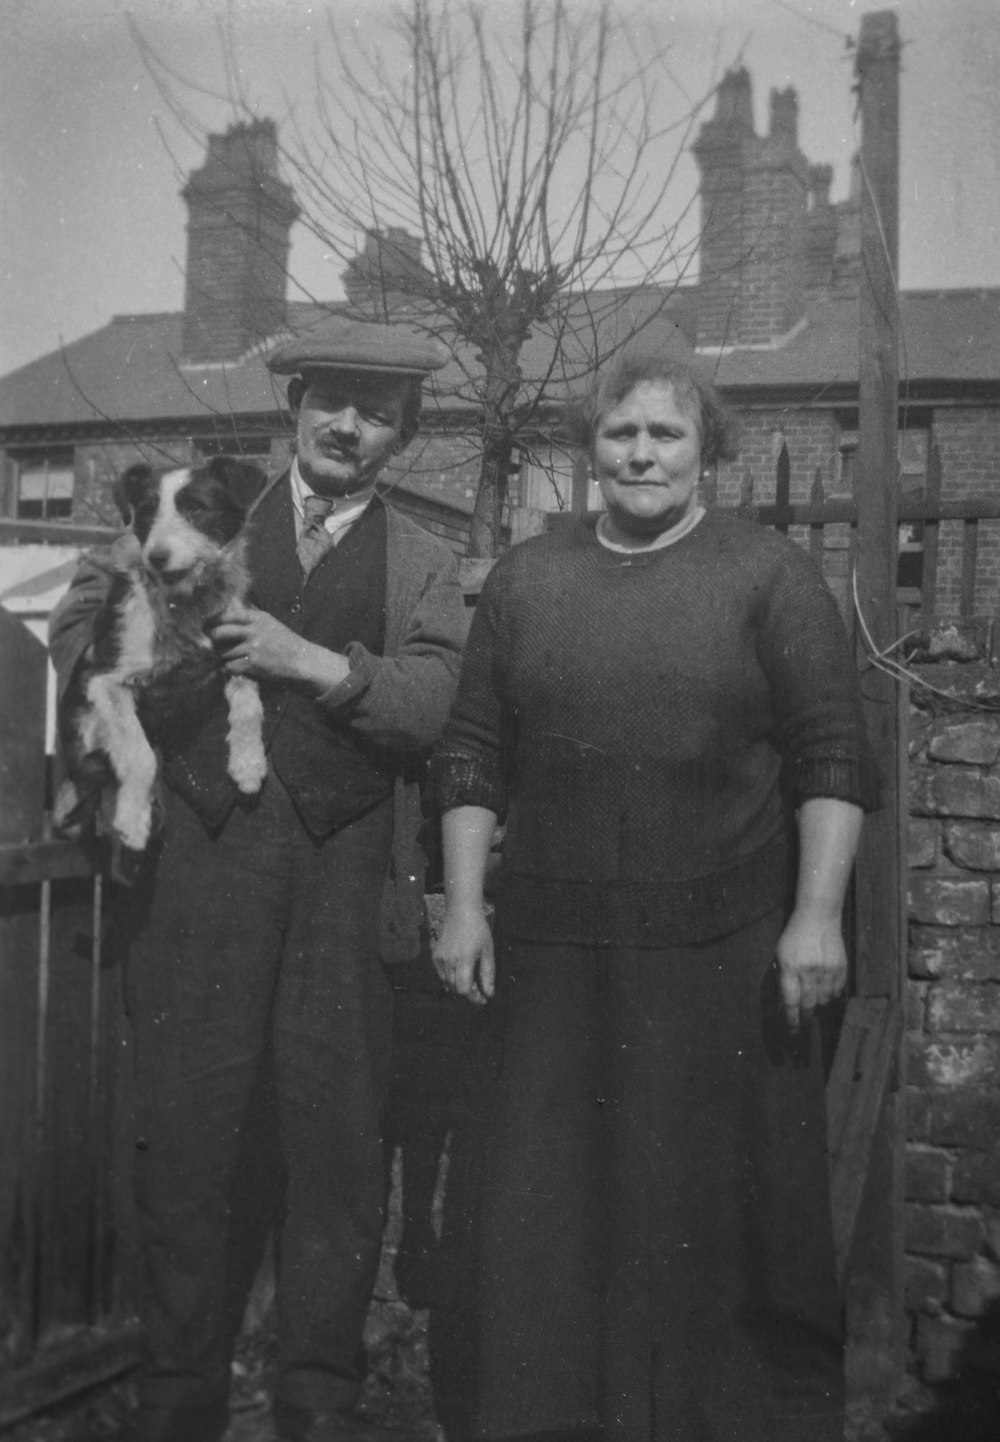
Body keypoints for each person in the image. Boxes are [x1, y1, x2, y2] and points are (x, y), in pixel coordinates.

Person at [428, 353, 876, 1442]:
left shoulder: (769, 577)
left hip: (718, 953)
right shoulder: (532, 579)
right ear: (590, 448)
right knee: (551, 1212)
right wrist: (466, 903)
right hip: (553, 958)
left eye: (664, 434)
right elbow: (475, 752)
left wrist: (814, 918)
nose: (639, 452)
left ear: (704, 451)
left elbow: (831, 756)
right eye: (620, 432)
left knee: (709, 1219)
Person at [48, 319, 468, 1442]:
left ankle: (317, 1393)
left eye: (375, 412)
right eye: (330, 400)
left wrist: (309, 662)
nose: (347, 426)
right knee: (184, 1130)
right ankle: (178, 1384)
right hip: (200, 867)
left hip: (345, 879)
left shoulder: (424, 560)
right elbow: (82, 628)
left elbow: (437, 706)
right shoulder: (195, 511)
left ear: (403, 433)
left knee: (335, 1143)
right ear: (294, 407)